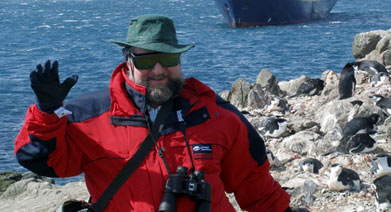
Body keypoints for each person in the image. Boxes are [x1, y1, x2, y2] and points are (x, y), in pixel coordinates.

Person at [15, 14, 296, 212]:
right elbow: (39, 160)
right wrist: (47, 112)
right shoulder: (87, 116)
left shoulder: (217, 114)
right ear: (128, 61)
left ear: (180, 59)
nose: (159, 69)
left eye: (169, 58)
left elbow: (253, 184)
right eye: (147, 59)